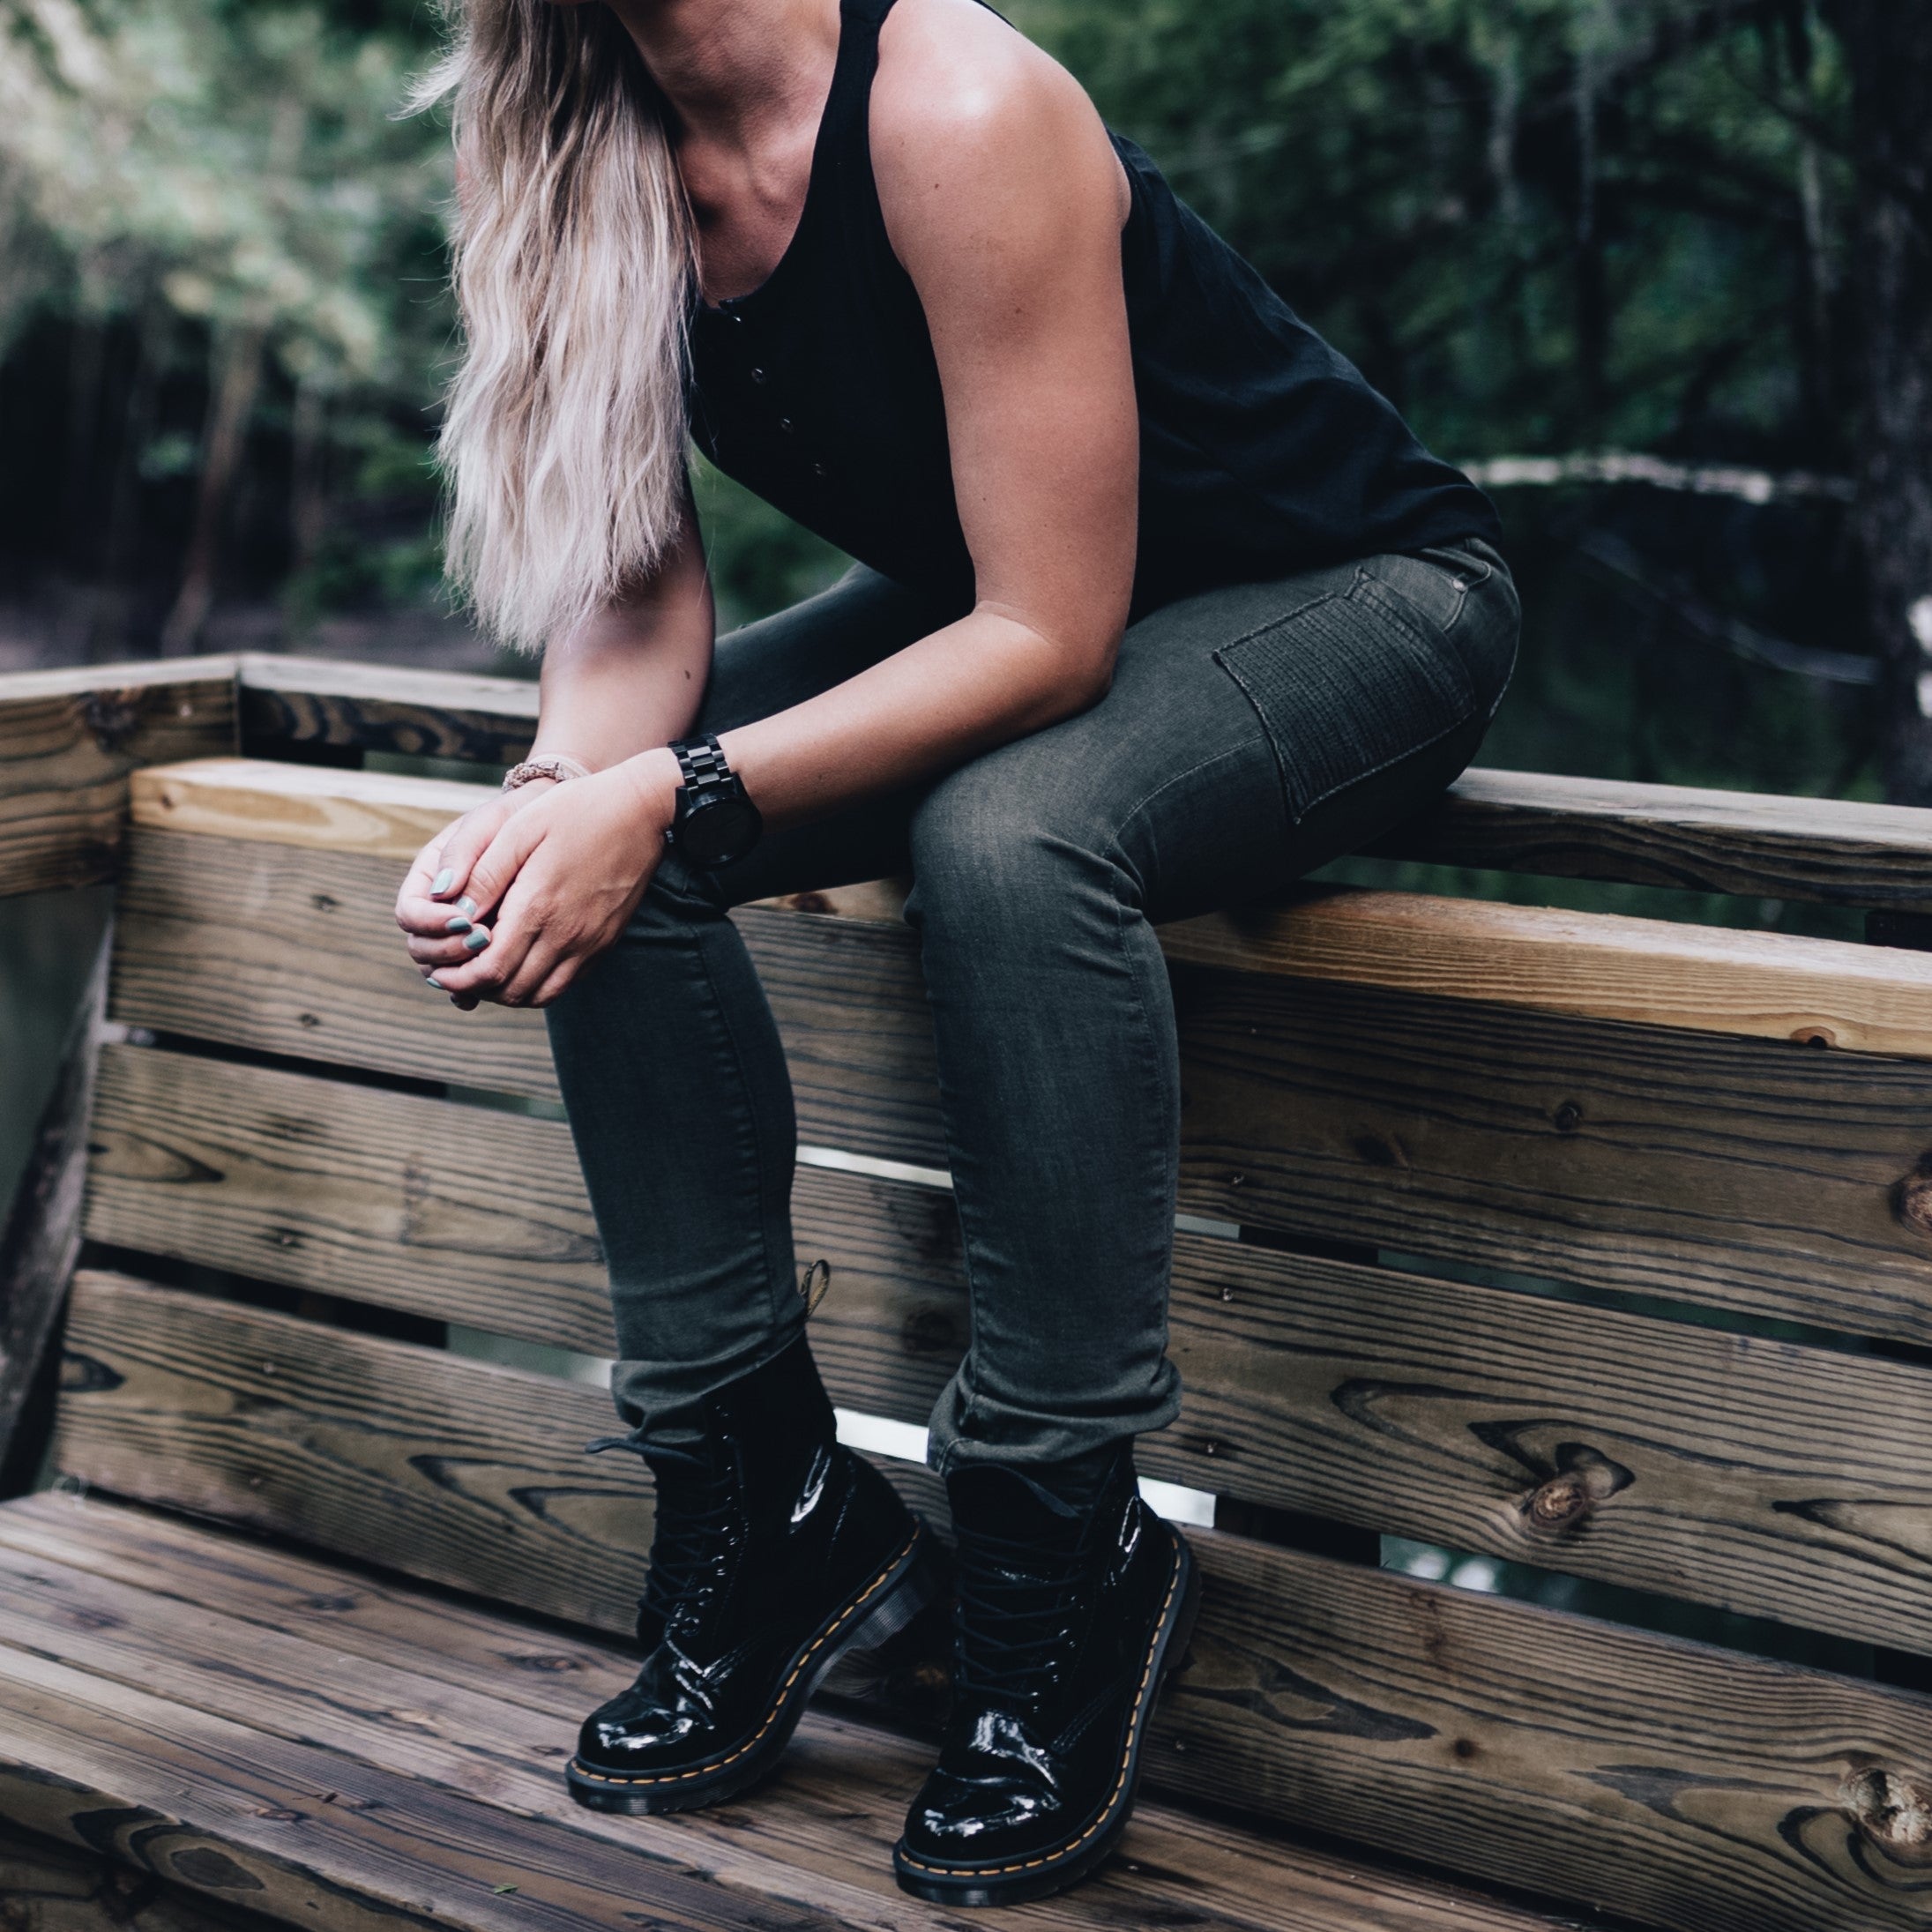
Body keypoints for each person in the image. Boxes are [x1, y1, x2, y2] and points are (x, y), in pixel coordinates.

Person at [394, 0, 1518, 1906]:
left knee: (1005, 836)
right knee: (590, 847)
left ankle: (1060, 1542)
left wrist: (663, 796)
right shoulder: (564, 141)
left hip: (1344, 594)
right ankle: (772, 1503)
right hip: (1008, 590)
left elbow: (1050, 643)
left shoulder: (954, 101)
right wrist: (551, 803)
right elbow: (626, 593)